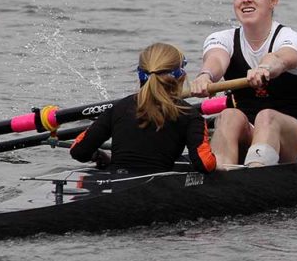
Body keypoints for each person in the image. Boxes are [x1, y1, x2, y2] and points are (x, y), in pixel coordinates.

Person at [189, 0, 297, 167]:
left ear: (273, 1)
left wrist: (265, 67)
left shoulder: (291, 39)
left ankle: (255, 173)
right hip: (250, 135)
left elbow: (280, 59)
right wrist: (205, 76)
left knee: (266, 117)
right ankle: (222, 177)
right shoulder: (222, 39)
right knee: (228, 115)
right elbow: (216, 60)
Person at [70, 42, 217, 173]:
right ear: (181, 77)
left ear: (140, 75)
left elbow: (78, 151)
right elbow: (204, 164)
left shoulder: (119, 108)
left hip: (117, 182)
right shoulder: (190, 115)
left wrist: (98, 155)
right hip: (158, 190)